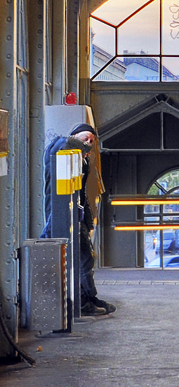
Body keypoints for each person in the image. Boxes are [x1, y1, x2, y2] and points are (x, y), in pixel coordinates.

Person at [43, 123, 117, 316]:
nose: (88, 143)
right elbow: (61, 144)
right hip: (62, 215)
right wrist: (81, 146)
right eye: (85, 138)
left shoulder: (81, 161)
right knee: (78, 259)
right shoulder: (60, 149)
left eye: (91, 141)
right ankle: (83, 302)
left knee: (85, 259)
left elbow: (80, 194)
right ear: (74, 136)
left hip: (75, 215)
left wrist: (87, 219)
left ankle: (89, 297)